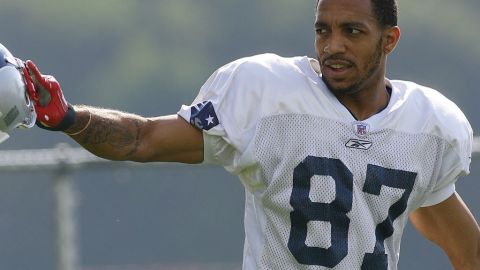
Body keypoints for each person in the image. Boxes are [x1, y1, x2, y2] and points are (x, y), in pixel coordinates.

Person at [20, 0, 480, 269]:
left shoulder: (428, 126)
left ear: (389, 40)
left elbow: (463, 246)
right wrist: (68, 117)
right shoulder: (267, 93)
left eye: (352, 31)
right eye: (323, 30)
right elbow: (144, 139)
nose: (332, 45)